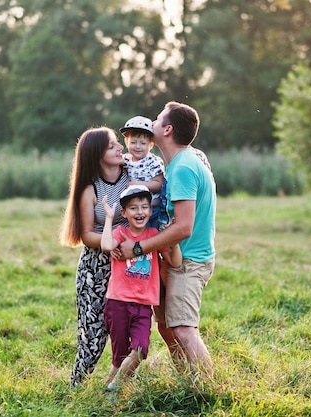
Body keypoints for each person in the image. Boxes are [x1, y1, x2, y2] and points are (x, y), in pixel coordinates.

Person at [117, 101, 217, 379]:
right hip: (171, 259)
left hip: (190, 260)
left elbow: (183, 227)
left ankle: (209, 388)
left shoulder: (184, 167)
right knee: (165, 327)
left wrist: (137, 248)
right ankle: (187, 382)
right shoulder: (178, 163)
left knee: (184, 329)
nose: (153, 122)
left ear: (168, 130)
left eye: (158, 119)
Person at [59, 126, 130, 387]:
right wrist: (111, 244)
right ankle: (76, 387)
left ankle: (120, 387)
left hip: (129, 264)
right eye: (112, 146)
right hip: (96, 267)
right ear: (97, 155)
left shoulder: (132, 177)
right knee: (93, 335)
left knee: (130, 330)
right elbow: (87, 234)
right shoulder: (91, 189)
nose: (120, 147)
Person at [100, 185, 182, 390]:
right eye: (134, 208)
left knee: (140, 349)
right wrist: (109, 218)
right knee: (118, 358)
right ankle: (107, 394)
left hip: (144, 306)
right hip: (118, 302)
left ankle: (114, 387)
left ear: (150, 211)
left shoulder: (153, 235)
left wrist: (175, 239)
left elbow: (176, 262)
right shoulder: (121, 232)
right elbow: (106, 246)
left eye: (145, 207)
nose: (140, 212)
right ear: (124, 213)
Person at [119, 116, 167, 229]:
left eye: (143, 143)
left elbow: (159, 184)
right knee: (137, 234)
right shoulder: (125, 160)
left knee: (153, 233)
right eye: (133, 142)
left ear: (150, 145)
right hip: (133, 208)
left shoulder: (153, 161)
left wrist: (138, 185)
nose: (137, 147)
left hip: (152, 207)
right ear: (126, 142)